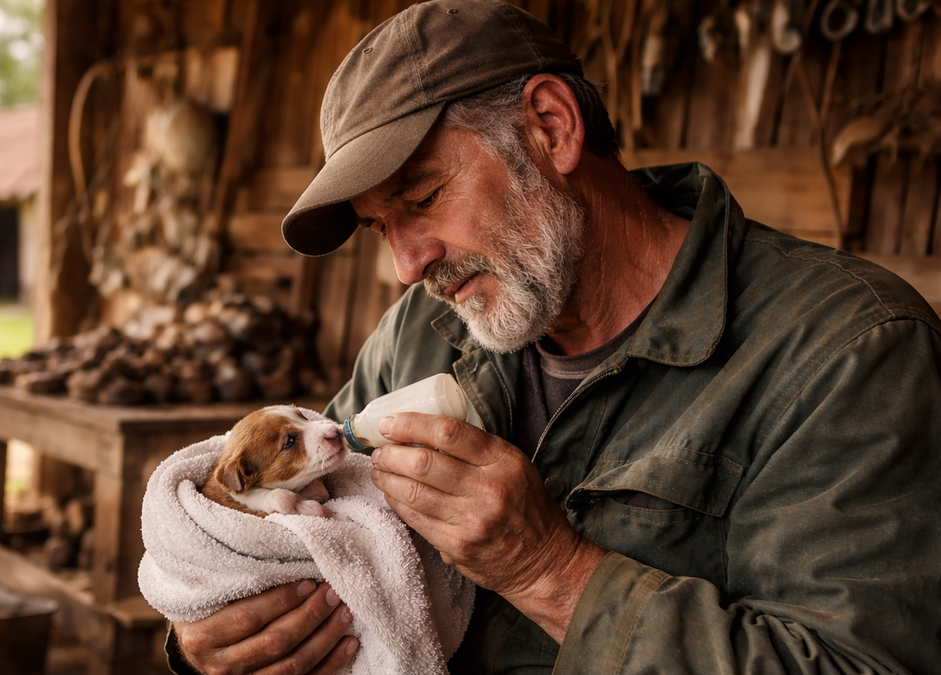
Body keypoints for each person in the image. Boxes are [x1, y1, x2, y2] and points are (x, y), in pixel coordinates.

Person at [167, 1, 941, 673]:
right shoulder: (423, 330)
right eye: (381, 227)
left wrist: (548, 570)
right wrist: (214, 638)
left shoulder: (850, 353)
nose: (406, 265)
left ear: (551, 126)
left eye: (423, 196)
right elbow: (293, 540)